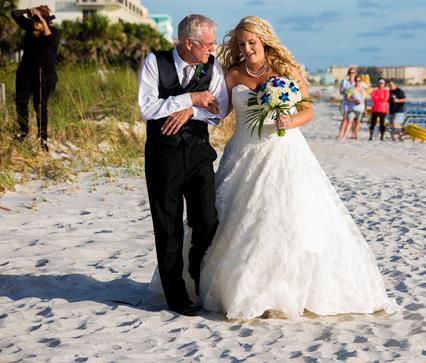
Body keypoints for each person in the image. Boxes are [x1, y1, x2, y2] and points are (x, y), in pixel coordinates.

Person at [147, 16, 398, 319]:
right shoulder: (233, 73)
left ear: (264, 40)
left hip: (285, 151)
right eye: (241, 44)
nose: (247, 48)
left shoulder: (286, 70)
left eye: (251, 42)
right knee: (233, 220)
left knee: (288, 220)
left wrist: (289, 120)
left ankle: (283, 290)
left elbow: (307, 109)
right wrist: (190, 107)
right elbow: (218, 113)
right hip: (243, 151)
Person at [138, 14, 228, 316]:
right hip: (163, 156)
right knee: (167, 226)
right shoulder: (155, 62)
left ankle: (194, 262)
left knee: (207, 220)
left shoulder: (213, 67)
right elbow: (148, 109)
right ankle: (176, 295)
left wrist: (190, 111)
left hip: (200, 153)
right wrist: (190, 97)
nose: (212, 50)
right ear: (189, 43)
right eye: (208, 44)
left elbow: (218, 111)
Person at [11, 5, 60, 151]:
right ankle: (24, 131)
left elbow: (50, 41)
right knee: (20, 101)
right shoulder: (30, 27)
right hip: (25, 72)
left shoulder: (54, 32)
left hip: (44, 75)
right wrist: (29, 11)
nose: (34, 23)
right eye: (34, 20)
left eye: (38, 21)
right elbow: (14, 14)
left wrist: (42, 22)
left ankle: (43, 138)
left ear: (46, 21)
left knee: (40, 106)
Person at [338, 74, 366, 140]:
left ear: (361, 81)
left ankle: (355, 136)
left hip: (361, 109)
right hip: (352, 108)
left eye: (359, 81)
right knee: (350, 122)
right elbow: (346, 97)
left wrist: (366, 110)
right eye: (356, 80)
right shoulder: (351, 89)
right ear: (355, 81)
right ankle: (344, 136)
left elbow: (365, 100)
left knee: (357, 123)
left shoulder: (363, 89)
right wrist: (353, 100)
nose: (357, 82)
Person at [336, 67, 357, 139]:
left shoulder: (356, 82)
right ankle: (340, 134)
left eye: (353, 73)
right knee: (345, 119)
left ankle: (348, 135)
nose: (352, 74)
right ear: (348, 74)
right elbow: (341, 92)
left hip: (354, 103)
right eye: (351, 73)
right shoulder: (345, 81)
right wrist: (346, 92)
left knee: (352, 120)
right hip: (346, 102)